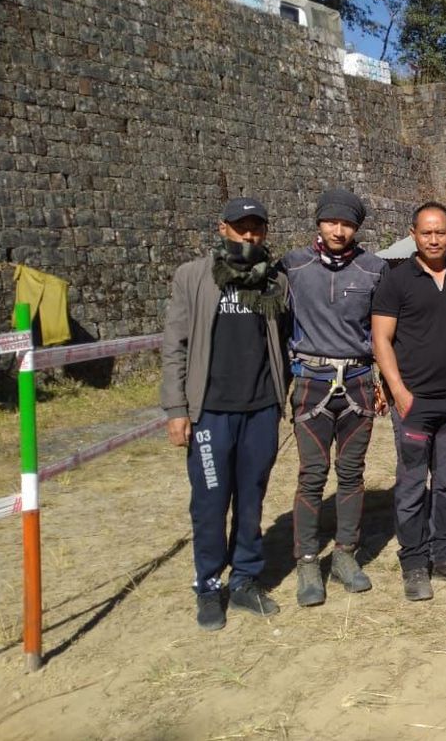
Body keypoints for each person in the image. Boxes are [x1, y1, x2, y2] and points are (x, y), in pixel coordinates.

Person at [161, 197, 289, 631]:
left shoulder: (273, 281)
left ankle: (245, 580)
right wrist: (177, 409)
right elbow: (175, 345)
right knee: (211, 502)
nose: (249, 236)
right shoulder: (193, 277)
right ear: (223, 228)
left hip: (261, 409)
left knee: (251, 499)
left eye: (256, 228)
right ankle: (209, 585)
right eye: (241, 228)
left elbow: (283, 341)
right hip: (210, 412)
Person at [281, 189, 386, 607]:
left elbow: (384, 329)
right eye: (331, 222)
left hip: (358, 382)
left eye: (347, 224)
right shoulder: (292, 267)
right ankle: (307, 560)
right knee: (311, 473)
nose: (338, 230)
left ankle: (345, 554)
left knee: (351, 472)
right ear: (319, 223)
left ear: (356, 227)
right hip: (311, 383)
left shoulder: (375, 269)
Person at [372, 202, 446, 601]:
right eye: (426, 232)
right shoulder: (396, 280)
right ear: (413, 234)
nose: (434, 239)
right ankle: (414, 563)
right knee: (412, 485)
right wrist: (397, 390)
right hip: (414, 404)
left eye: (441, 232)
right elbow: (381, 338)